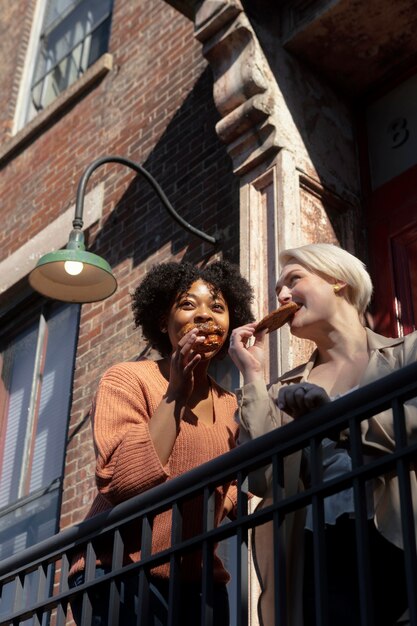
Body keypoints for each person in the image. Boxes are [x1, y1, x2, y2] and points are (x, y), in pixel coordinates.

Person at [228, 243, 417, 626]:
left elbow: (411, 431)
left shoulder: (406, 355)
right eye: (278, 289)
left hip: (399, 538)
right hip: (319, 553)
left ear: (339, 282)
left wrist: (335, 419)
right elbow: (265, 480)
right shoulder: (283, 391)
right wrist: (252, 375)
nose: (281, 296)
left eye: (294, 280)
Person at [68, 259, 254, 626]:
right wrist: (175, 396)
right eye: (188, 304)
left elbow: (241, 487)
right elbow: (122, 482)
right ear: (162, 321)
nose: (205, 316)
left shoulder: (233, 405)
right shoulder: (126, 380)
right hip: (119, 567)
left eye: (217, 307)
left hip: (198, 582)